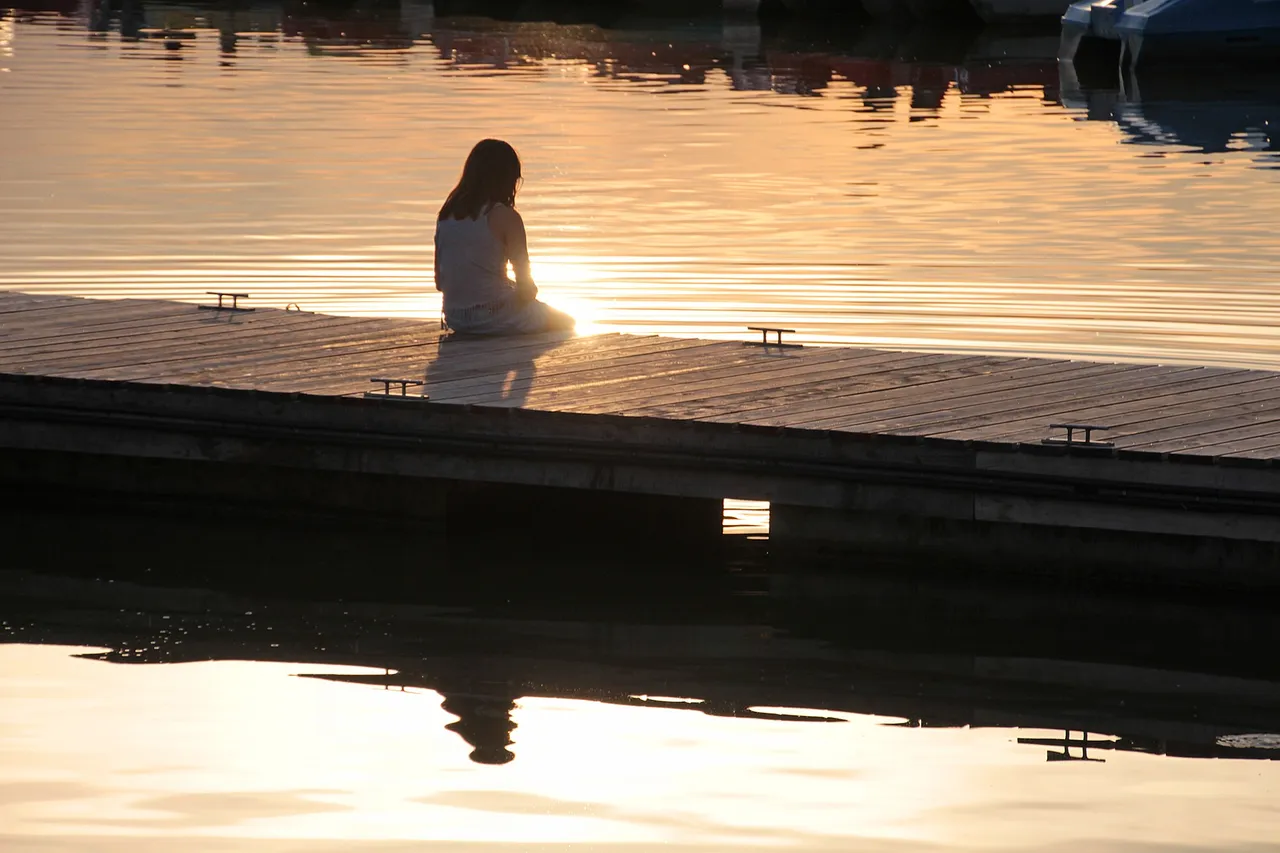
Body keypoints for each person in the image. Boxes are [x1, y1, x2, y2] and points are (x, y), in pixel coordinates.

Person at [434, 139, 575, 335]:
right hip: (495, 316)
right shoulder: (507, 217)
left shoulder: (446, 215)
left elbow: (440, 283)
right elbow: (527, 290)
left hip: (456, 317)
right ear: (506, 179)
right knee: (567, 322)